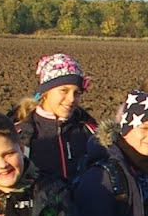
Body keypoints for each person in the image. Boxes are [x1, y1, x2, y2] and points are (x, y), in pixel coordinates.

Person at [19, 53, 104, 183]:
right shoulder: (21, 135)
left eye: (77, 93)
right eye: (64, 90)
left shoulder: (90, 131)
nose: (71, 99)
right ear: (45, 93)